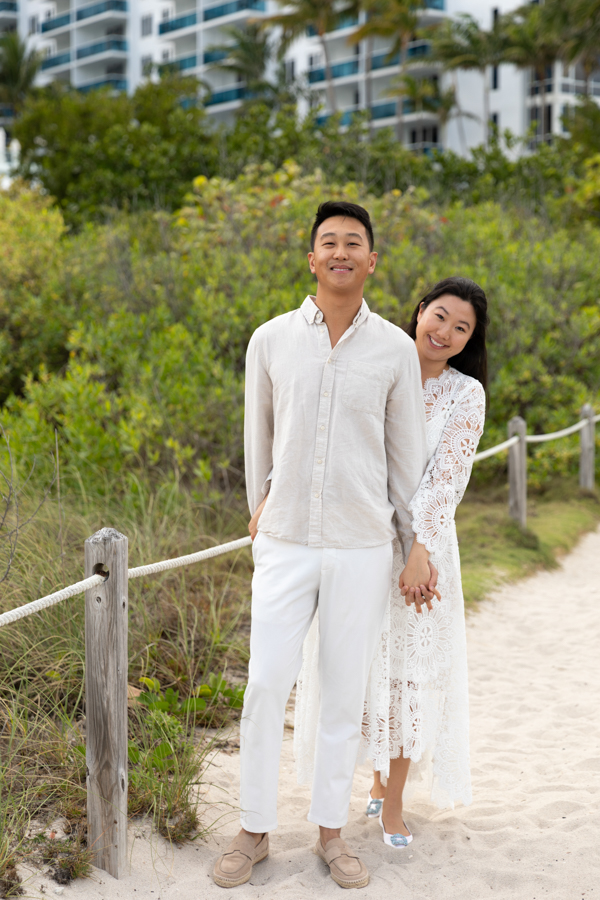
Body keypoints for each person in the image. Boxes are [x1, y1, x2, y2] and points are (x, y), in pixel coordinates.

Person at [212, 201, 435, 890]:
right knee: (264, 686)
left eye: (354, 243)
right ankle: (253, 831)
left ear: (372, 261)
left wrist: (414, 544)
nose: (341, 251)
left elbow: (408, 461)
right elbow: (259, 434)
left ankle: (331, 834)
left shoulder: (396, 348)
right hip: (285, 543)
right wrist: (260, 506)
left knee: (343, 694)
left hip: (364, 545)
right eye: (328, 242)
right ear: (311, 258)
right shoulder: (271, 339)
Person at [294, 276, 488, 850]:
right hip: (358, 538)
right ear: (420, 309)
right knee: (361, 663)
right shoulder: (378, 359)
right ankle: (374, 778)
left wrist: (418, 553)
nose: (446, 332)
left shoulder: (464, 394)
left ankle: (394, 800)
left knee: (408, 674)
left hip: (422, 552)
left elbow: (443, 481)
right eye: (441, 316)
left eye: (462, 328)